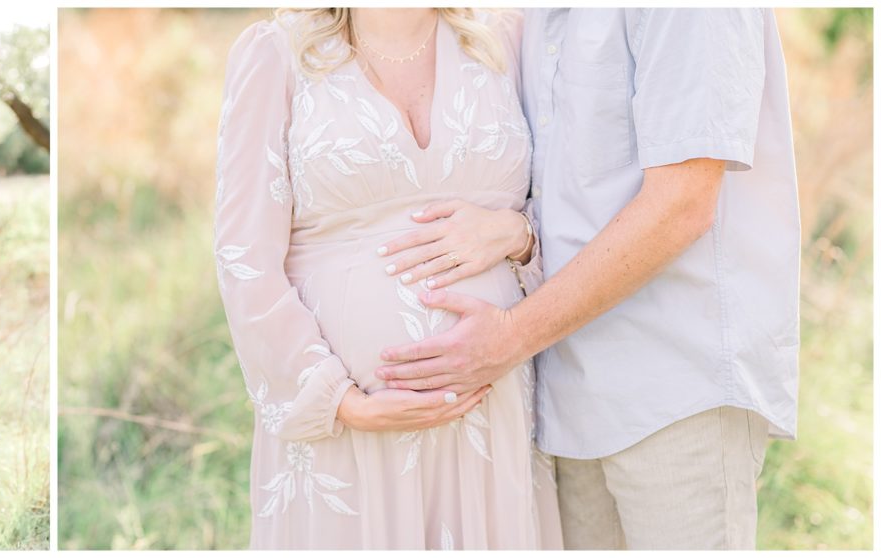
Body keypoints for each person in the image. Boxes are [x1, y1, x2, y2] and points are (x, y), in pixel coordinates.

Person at [375, 8, 799, 550]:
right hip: (561, 394)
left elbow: (682, 204)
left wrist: (508, 336)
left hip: (673, 390)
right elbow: (563, 183)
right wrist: (515, 230)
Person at [215, 8, 561, 549]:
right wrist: (340, 401)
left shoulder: (504, 38)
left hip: (492, 415)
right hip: (349, 433)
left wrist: (517, 233)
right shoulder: (278, 53)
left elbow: (571, 204)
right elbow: (244, 259)